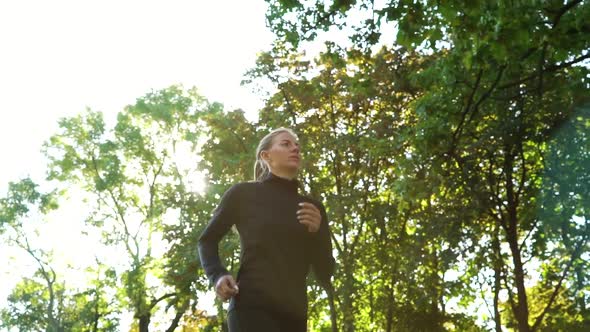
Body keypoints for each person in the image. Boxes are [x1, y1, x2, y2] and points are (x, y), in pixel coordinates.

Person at [198, 127, 336, 332]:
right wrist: (217, 274)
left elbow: (325, 272)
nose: (295, 149)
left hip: (294, 316)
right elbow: (207, 240)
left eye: (297, 145)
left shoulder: (312, 208)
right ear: (266, 156)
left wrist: (316, 235)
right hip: (251, 308)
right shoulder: (243, 194)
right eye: (286, 144)